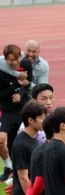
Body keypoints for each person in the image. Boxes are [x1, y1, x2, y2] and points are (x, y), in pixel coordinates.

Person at [0, 44, 33, 182]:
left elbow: (28, 83)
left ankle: (23, 171)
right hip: (6, 110)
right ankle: (9, 167)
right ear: (6, 59)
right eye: (11, 60)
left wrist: (20, 93)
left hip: (23, 110)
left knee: (18, 142)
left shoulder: (26, 65)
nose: (14, 62)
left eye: (17, 59)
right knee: (1, 140)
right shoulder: (1, 70)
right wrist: (15, 85)